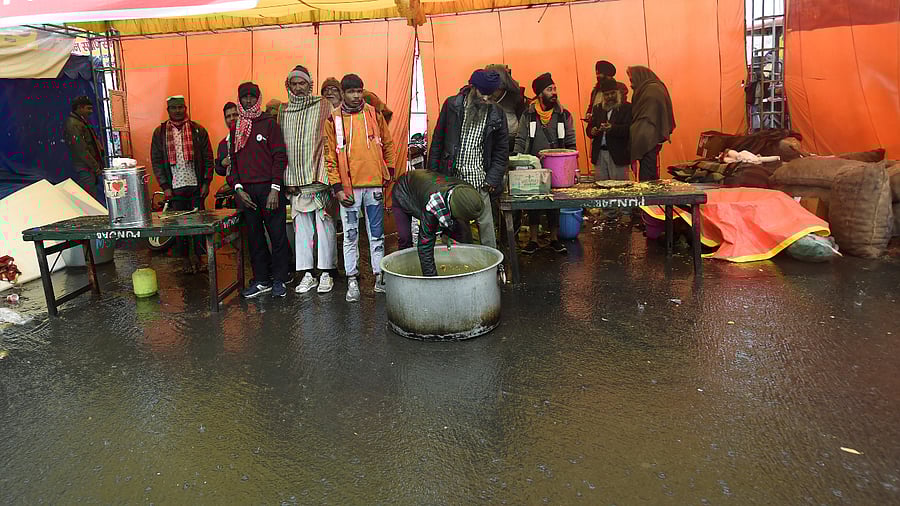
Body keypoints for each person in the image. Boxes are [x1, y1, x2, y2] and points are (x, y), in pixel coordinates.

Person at [324, 74, 396, 302]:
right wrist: (337, 188)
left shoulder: (374, 113)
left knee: (377, 235)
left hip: (374, 184)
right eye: (351, 92)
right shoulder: (333, 119)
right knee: (350, 235)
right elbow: (330, 157)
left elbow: (388, 143)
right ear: (343, 93)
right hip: (349, 189)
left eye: (359, 91)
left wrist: (389, 172)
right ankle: (352, 280)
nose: (356, 96)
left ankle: (379, 278)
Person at [428, 69, 508, 251]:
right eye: (483, 93)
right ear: (473, 88)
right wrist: (433, 176)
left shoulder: (497, 113)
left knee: (486, 227)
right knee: (452, 225)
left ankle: (490, 267)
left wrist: (492, 180)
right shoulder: (452, 106)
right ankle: (457, 264)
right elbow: (438, 141)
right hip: (452, 179)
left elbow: (501, 151)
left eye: (490, 95)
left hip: (480, 180)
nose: (486, 99)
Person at [227, 81, 291, 298]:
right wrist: (238, 189)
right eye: (244, 97)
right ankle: (262, 279)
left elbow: (280, 157)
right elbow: (233, 163)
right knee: (254, 237)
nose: (248, 101)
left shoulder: (269, 124)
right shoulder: (236, 128)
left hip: (269, 189)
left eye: (252, 97)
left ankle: (281, 279)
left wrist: (275, 188)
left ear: (258, 98)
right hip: (246, 192)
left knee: (278, 235)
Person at [278, 65, 338, 295]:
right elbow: (283, 146)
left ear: (310, 85)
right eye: (293, 84)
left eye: (302, 83)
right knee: (301, 230)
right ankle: (306, 274)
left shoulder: (323, 105)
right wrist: (287, 178)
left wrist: (328, 176)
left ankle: (325, 273)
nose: (298, 88)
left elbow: (331, 139)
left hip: (319, 178)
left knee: (325, 226)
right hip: (295, 181)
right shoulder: (283, 112)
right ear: (288, 86)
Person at [150, 95, 215, 274]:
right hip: (174, 188)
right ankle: (185, 261)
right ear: (168, 110)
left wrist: (206, 182)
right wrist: (165, 187)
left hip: (196, 186)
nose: (178, 111)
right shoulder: (160, 133)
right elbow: (156, 161)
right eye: (174, 108)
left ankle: (201, 259)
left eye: (181, 107)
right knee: (179, 227)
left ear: (185, 108)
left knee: (199, 225)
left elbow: (209, 158)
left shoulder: (197, 130)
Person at [513, 72, 576, 255]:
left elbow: (571, 142)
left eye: (554, 88)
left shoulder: (563, 115)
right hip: (534, 165)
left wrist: (574, 168)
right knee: (535, 202)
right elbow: (520, 138)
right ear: (540, 94)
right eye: (550, 89)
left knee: (554, 202)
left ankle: (553, 239)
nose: (554, 92)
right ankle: (533, 240)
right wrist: (517, 161)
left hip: (558, 165)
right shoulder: (528, 114)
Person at [392, 170, 485, 277]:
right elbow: (425, 245)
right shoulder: (433, 206)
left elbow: (465, 238)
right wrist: (433, 281)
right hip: (403, 192)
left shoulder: (466, 192)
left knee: (462, 231)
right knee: (405, 238)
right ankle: (405, 275)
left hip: (425, 187)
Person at [628, 66, 676, 182]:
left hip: (649, 137)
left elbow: (651, 115)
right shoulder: (647, 89)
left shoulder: (652, 90)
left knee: (647, 174)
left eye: (632, 79)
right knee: (647, 170)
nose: (631, 83)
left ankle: (649, 198)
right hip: (645, 135)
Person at [588, 78, 632, 182]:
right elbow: (589, 128)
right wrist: (592, 131)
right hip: (600, 155)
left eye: (612, 93)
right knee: (601, 188)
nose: (610, 97)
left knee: (620, 189)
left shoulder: (626, 108)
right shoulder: (598, 108)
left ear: (618, 93)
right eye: (607, 95)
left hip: (618, 155)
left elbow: (629, 129)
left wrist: (612, 128)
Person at [64, 95, 106, 201]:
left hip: (88, 166)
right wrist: (96, 168)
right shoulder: (73, 124)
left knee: (91, 196)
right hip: (84, 167)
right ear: (79, 108)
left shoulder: (81, 121)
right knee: (89, 198)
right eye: (88, 108)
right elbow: (81, 150)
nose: (91, 111)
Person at [585, 60, 617, 124]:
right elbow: (591, 106)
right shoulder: (595, 91)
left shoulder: (619, 88)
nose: (597, 76)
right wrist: (588, 114)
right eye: (597, 73)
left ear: (607, 75)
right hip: (596, 128)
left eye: (599, 73)